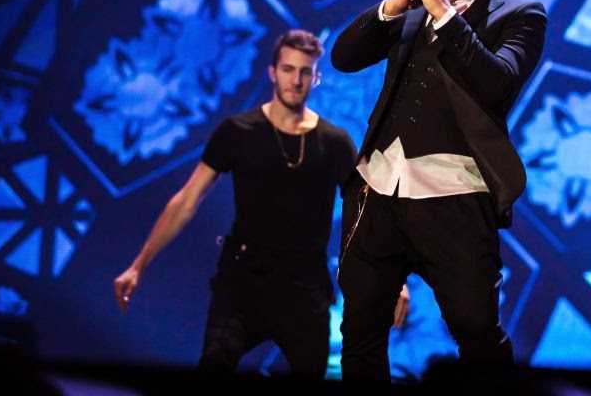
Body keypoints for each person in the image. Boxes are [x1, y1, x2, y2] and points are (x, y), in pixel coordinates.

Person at [331, 0, 547, 380]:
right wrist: (394, 5)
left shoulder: (521, 13)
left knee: (475, 330)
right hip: (378, 186)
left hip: (454, 194)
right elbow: (343, 58)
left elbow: (498, 84)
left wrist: (447, 15)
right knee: (361, 330)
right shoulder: (412, 7)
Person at [113, 29, 407, 377]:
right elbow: (187, 200)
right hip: (243, 282)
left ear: (316, 78)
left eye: (305, 72)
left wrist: (395, 281)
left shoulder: (334, 142)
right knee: (214, 364)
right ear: (272, 72)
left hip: (305, 288)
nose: (295, 80)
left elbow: (365, 213)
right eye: (288, 69)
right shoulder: (239, 131)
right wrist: (138, 265)